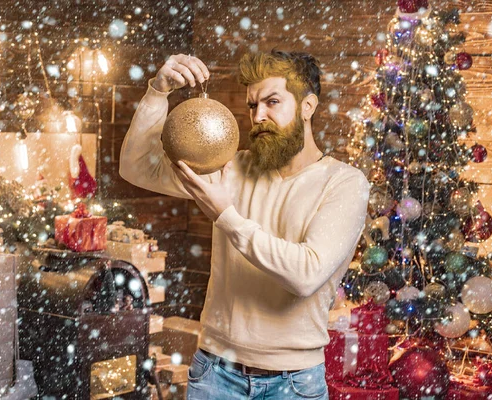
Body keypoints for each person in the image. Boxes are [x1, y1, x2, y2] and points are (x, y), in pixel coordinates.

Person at [120, 50, 370, 400]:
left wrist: (227, 217)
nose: (259, 116)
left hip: (294, 384)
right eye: (253, 106)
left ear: (307, 106)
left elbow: (306, 275)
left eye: (272, 102)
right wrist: (157, 92)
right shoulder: (231, 168)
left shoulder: (345, 183)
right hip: (215, 374)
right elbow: (137, 168)